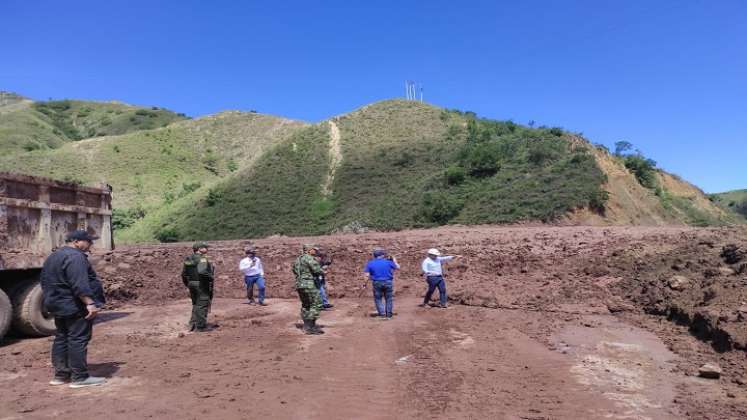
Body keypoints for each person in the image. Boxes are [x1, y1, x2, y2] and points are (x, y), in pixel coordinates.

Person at [41, 230, 107, 388]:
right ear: (77, 241)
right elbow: (79, 283)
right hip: (74, 305)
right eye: (88, 241)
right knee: (78, 339)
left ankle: (61, 375)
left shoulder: (54, 256)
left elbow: (45, 280)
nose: (91, 245)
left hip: (58, 303)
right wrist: (90, 303)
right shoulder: (75, 257)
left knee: (62, 337)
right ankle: (80, 378)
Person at [182, 242, 215, 332]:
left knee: (196, 304)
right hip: (201, 284)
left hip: (191, 283)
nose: (207, 249)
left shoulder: (188, 258)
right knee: (202, 304)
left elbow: (184, 274)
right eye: (205, 247)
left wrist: (187, 284)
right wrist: (211, 277)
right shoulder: (203, 259)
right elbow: (202, 272)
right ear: (199, 249)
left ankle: (192, 324)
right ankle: (201, 326)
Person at [292, 244, 324, 335]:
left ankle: (306, 326)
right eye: (314, 249)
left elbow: (294, 270)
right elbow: (317, 270)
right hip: (309, 284)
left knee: (306, 305)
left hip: (299, 284)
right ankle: (310, 326)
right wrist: (323, 270)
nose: (316, 251)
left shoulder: (297, 259)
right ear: (309, 250)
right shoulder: (309, 258)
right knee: (317, 303)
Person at [363, 248, 400, 319]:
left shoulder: (370, 263)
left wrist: (364, 284)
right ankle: (389, 315)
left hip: (377, 282)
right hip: (388, 282)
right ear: (382, 255)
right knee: (389, 299)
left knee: (378, 299)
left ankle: (382, 313)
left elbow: (367, 275)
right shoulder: (388, 262)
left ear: (374, 255)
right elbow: (398, 267)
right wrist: (394, 260)